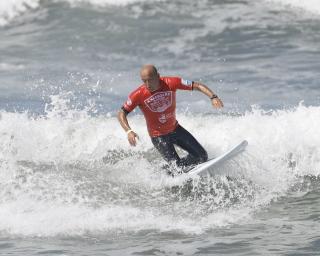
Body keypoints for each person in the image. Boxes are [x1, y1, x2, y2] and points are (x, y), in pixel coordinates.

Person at [117, 65, 224, 171]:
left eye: (150, 80)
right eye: (144, 81)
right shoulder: (138, 94)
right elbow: (121, 113)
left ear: (158, 76)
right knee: (177, 168)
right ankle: (171, 171)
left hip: (175, 129)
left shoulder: (171, 82)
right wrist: (129, 131)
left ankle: (168, 171)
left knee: (202, 157)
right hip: (158, 136)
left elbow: (197, 86)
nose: (147, 84)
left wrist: (213, 97)